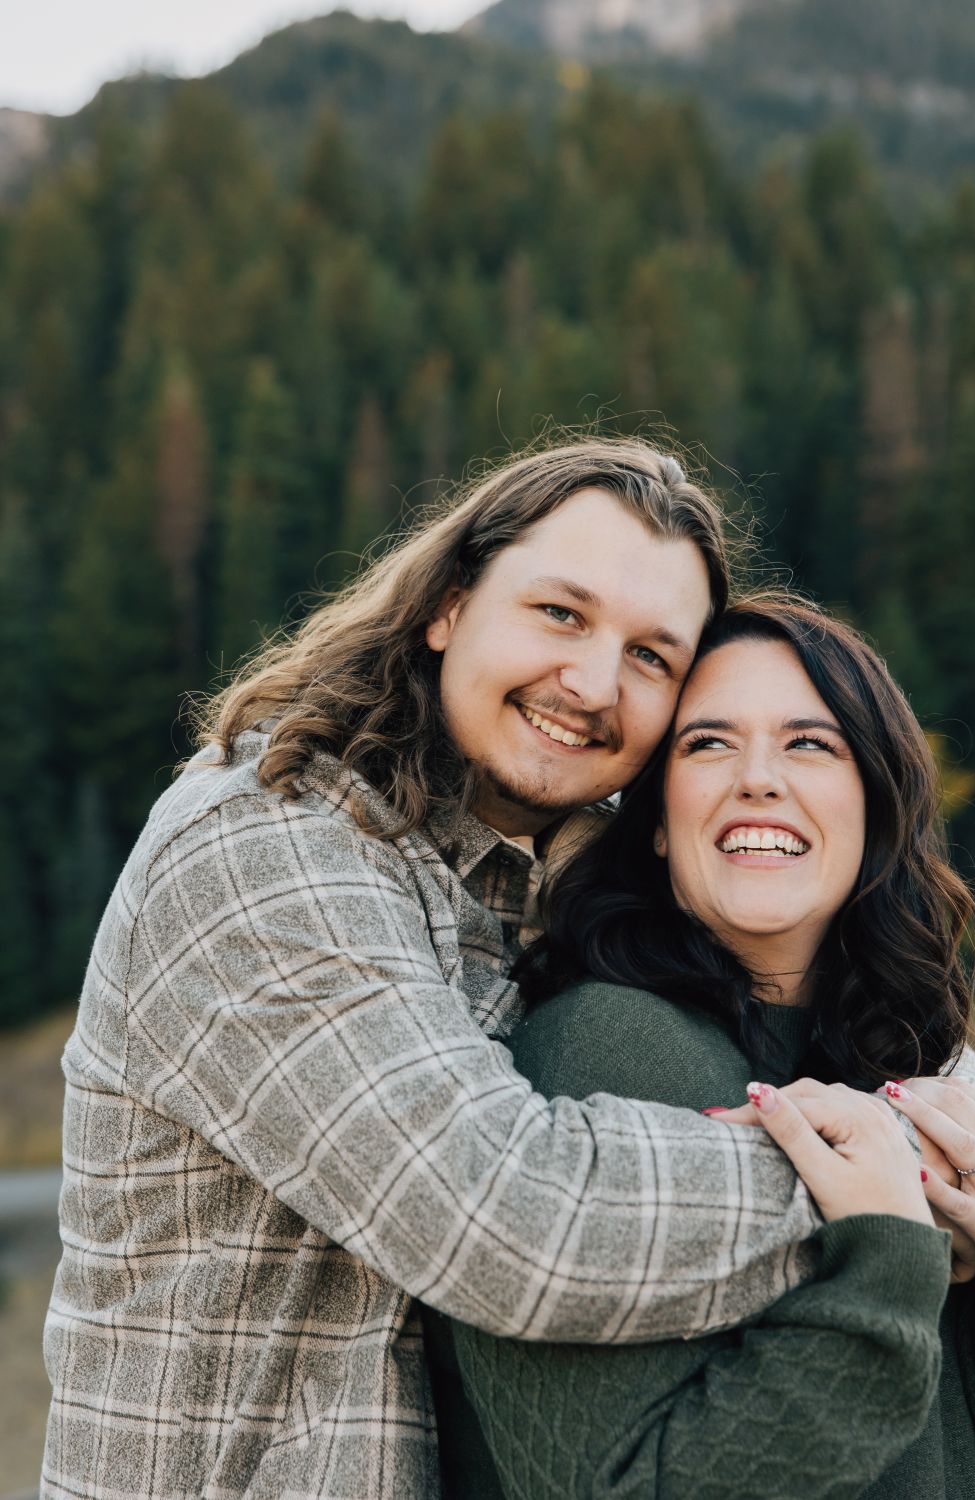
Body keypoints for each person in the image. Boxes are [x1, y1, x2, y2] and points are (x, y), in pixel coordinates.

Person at [45, 441, 845, 1500]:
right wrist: (876, 1195)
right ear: (447, 606)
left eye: (652, 657)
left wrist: (960, 1121)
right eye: (559, 614)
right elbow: (501, 1222)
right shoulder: (260, 843)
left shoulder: (574, 857)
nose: (593, 684)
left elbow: (821, 985)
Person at [429, 594, 975, 1499]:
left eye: (808, 743)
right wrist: (886, 1253)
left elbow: (938, 1435)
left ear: (876, 804)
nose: (758, 779)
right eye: (707, 744)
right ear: (656, 821)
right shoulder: (608, 1051)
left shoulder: (869, 1056)